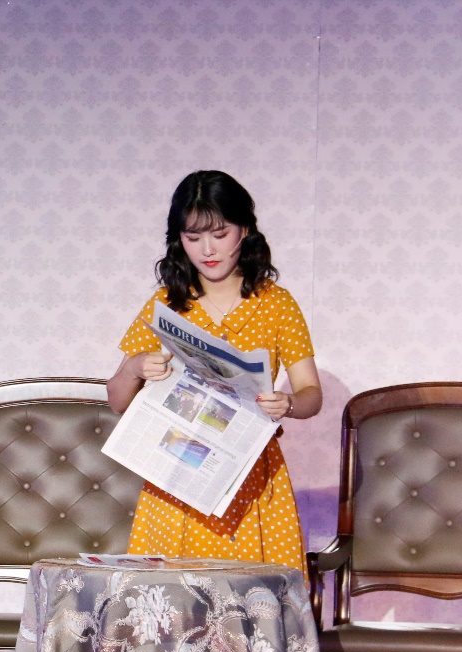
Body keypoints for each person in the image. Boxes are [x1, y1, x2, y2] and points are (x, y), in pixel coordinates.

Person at [107, 170, 322, 576]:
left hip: (251, 475)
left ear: (244, 230)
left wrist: (289, 403)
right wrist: (135, 368)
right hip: (177, 474)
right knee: (174, 602)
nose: (207, 250)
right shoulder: (167, 303)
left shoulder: (276, 303)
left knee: (251, 602)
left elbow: (312, 393)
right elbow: (117, 399)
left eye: (220, 234)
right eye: (193, 237)